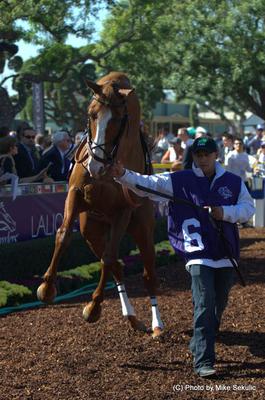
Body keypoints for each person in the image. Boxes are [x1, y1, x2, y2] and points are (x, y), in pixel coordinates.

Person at [108, 136, 255, 378]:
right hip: (198, 256)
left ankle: (199, 341)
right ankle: (203, 361)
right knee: (205, 302)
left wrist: (225, 212)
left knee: (218, 305)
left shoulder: (233, 182)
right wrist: (123, 174)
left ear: (216, 155)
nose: (203, 158)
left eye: (207, 153)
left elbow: (248, 208)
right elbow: (147, 184)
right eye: (199, 154)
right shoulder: (179, 180)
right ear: (194, 157)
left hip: (226, 254)